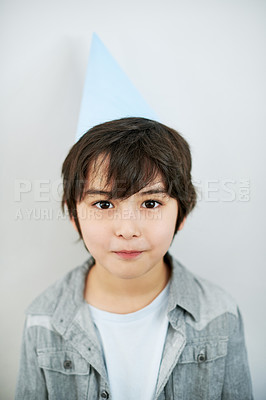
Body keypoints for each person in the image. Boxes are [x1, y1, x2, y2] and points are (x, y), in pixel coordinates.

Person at [15, 117, 253, 399]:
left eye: (151, 203)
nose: (127, 230)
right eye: (103, 204)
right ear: (73, 214)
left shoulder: (219, 314)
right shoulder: (44, 319)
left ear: (182, 214)